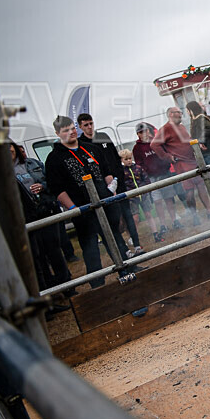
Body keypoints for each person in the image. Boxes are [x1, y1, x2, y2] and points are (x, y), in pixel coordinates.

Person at [44, 116, 135, 289]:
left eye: (72, 128)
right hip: (83, 210)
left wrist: (112, 191)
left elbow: (106, 171)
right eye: (65, 130)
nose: (71, 132)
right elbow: (57, 189)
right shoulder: (54, 158)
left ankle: (127, 271)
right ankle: (97, 285)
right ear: (57, 133)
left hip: (105, 203)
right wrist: (74, 208)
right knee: (90, 247)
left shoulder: (91, 148)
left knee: (115, 239)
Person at [9, 141, 74, 294]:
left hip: (46, 210)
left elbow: (52, 182)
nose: (8, 150)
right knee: (38, 256)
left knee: (54, 250)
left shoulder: (33, 163)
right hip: (25, 217)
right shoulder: (1, 172)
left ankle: (67, 286)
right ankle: (49, 290)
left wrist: (42, 186)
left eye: (9, 146)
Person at [77, 113, 143, 254]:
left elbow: (115, 157)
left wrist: (119, 179)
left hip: (118, 184)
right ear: (81, 127)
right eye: (86, 125)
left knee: (128, 214)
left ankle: (137, 245)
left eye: (91, 123)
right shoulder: (82, 144)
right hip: (103, 189)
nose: (89, 127)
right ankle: (124, 250)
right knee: (112, 220)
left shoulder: (103, 136)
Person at [150, 107, 210, 226]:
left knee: (201, 186)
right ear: (171, 114)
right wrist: (167, 156)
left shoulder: (182, 127)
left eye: (181, 112)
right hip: (181, 165)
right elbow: (154, 145)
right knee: (189, 193)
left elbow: (188, 140)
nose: (181, 114)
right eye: (178, 112)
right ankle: (194, 216)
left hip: (193, 161)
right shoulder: (165, 129)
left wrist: (197, 144)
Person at [132, 122, 180, 232]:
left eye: (145, 131)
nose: (143, 134)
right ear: (138, 134)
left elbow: (165, 154)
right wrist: (148, 172)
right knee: (158, 202)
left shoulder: (156, 142)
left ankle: (175, 220)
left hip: (164, 174)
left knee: (169, 198)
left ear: (148, 131)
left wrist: (165, 167)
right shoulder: (137, 148)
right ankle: (163, 225)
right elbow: (139, 164)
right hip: (151, 178)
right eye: (140, 132)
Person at [119, 149, 164, 243]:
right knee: (135, 218)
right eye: (126, 159)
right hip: (131, 198)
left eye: (130, 158)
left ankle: (155, 234)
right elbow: (122, 185)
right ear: (121, 160)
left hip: (143, 195)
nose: (129, 161)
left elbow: (146, 179)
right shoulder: (121, 171)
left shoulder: (138, 168)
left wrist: (145, 189)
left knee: (149, 214)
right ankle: (134, 238)